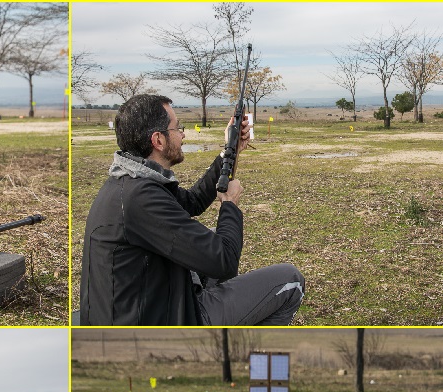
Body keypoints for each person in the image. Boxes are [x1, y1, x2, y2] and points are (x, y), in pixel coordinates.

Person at [79, 94, 305, 326]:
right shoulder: (140, 197)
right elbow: (224, 261)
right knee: (291, 280)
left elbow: (192, 202)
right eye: (178, 128)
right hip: (156, 327)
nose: (183, 134)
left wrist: (230, 149)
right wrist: (229, 204)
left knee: (206, 244)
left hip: (144, 309)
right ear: (158, 140)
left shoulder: (130, 181)